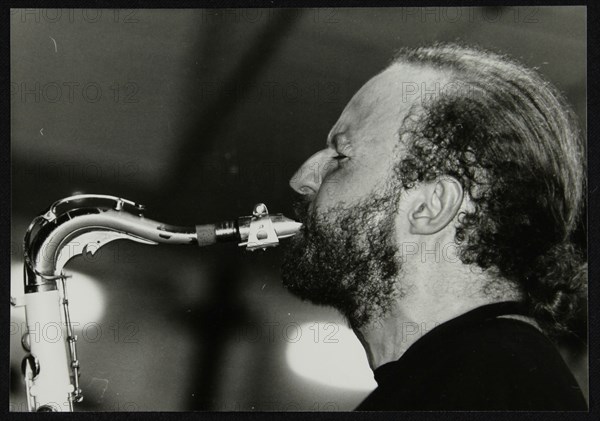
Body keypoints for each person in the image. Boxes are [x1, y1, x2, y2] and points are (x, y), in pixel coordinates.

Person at [280, 43, 587, 410]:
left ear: (432, 205)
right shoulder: (487, 378)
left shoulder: (479, 389)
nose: (303, 179)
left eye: (342, 156)